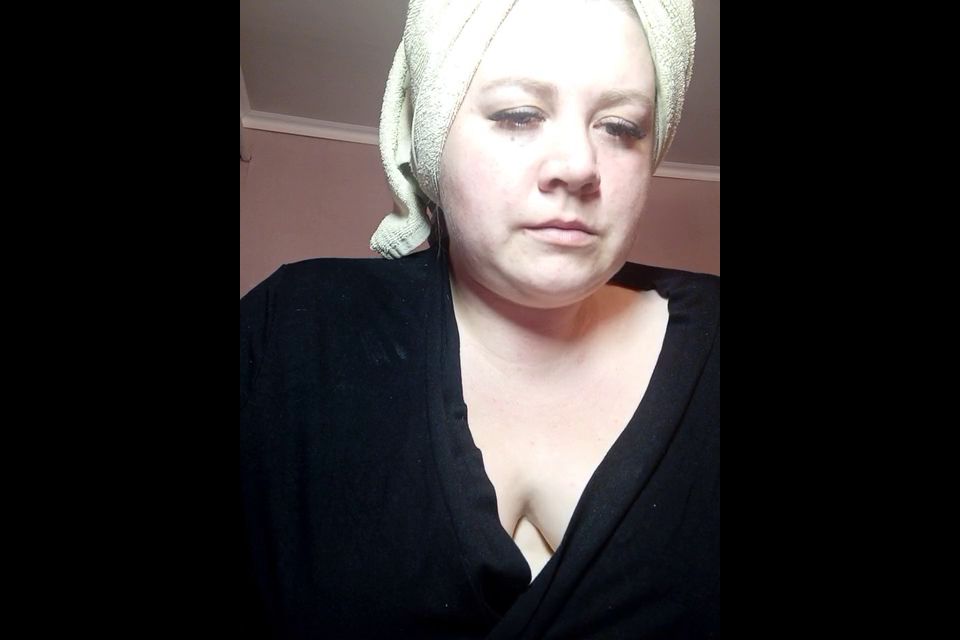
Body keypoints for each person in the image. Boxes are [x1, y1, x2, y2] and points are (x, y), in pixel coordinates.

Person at [240, 0, 718, 637]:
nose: (579, 166)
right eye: (519, 115)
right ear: (432, 138)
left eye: (621, 126)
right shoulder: (293, 331)